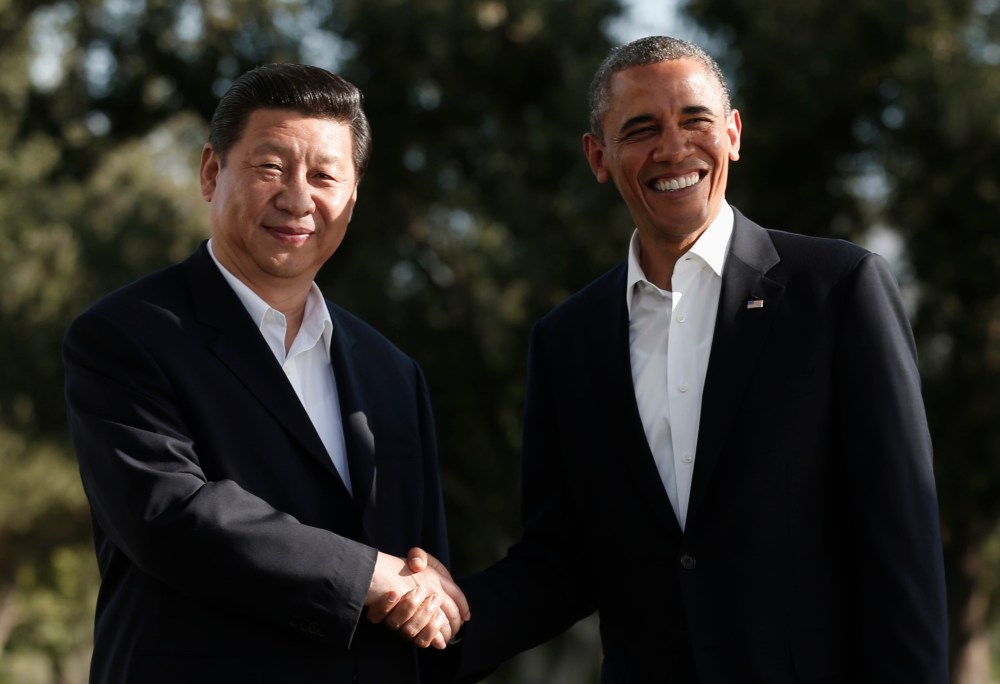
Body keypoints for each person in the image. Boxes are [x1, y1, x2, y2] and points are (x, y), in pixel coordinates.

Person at [376, 35, 949, 682]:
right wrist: (438, 626)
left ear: (732, 132)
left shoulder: (839, 289)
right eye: (642, 128)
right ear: (599, 156)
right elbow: (560, 562)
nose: (675, 149)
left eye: (696, 120)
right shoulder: (567, 341)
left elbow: (901, 543)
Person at [63, 63, 468, 684]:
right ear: (210, 172)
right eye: (271, 168)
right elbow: (170, 516)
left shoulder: (393, 373)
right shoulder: (127, 335)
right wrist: (369, 576)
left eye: (325, 175)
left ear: (352, 197)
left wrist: (429, 587)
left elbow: (421, 565)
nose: (298, 198)